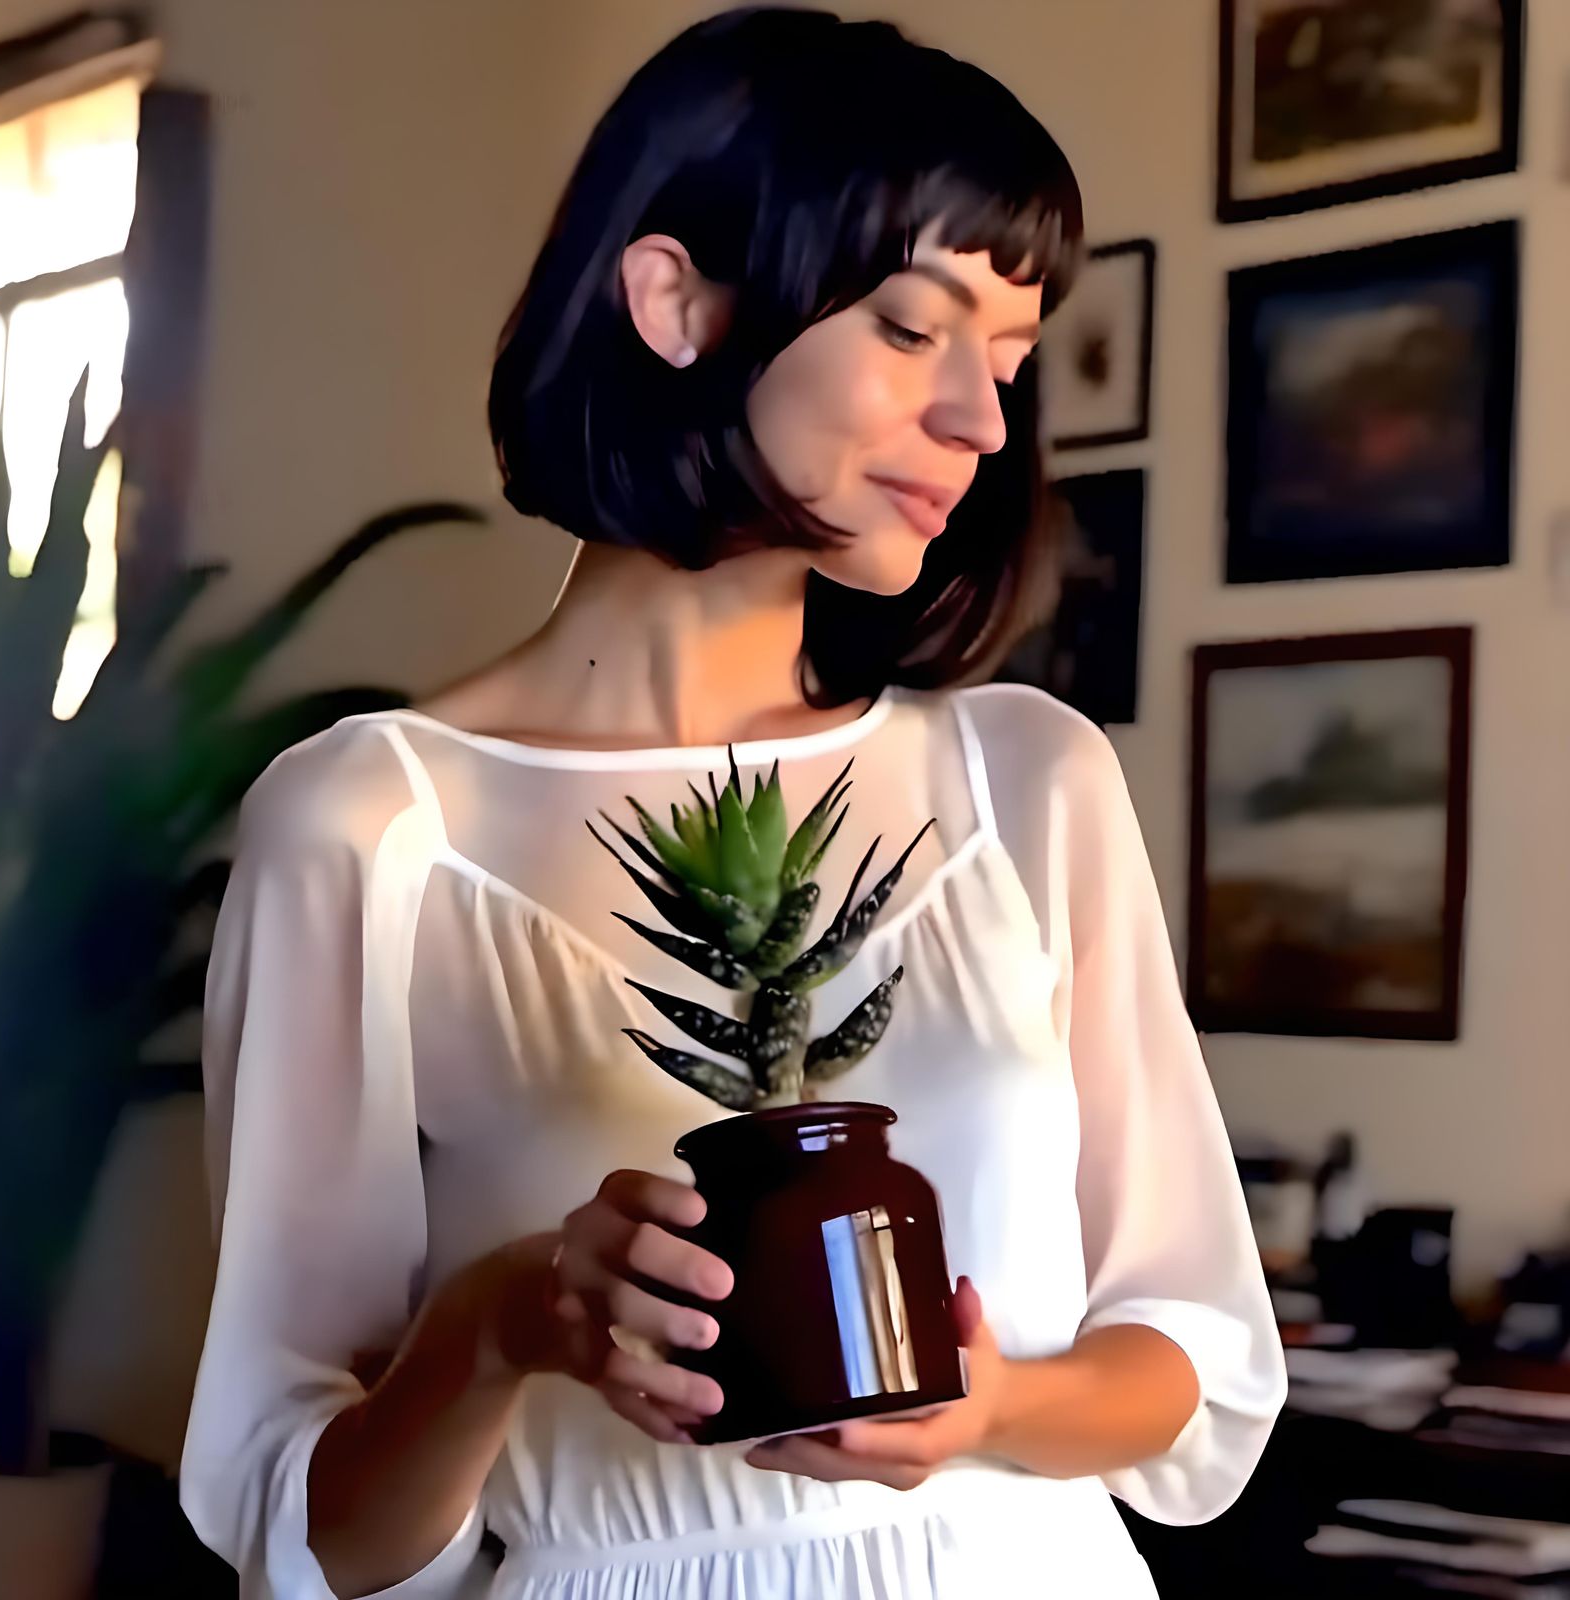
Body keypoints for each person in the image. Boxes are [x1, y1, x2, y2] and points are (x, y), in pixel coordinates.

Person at [179, 8, 1287, 1597]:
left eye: (1007, 358)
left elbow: (1194, 1360)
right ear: (676, 300)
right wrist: (501, 1322)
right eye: (915, 328)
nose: (982, 421)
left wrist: (990, 1410)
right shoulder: (368, 826)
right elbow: (316, 1539)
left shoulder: (1030, 780)